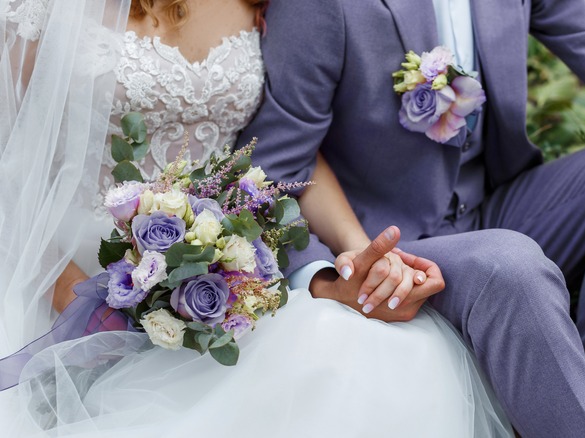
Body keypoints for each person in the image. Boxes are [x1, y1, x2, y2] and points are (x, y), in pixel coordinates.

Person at [242, 0, 585, 436]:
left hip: (494, 205)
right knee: (507, 264)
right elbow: (276, 166)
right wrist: (329, 276)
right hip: (383, 246)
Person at [0, 0, 514, 436]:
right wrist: (68, 293)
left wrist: (356, 251)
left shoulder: (266, 3)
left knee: (364, 353)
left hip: (221, 274)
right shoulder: (47, 9)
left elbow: (291, 157)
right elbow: (9, 157)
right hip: (59, 261)